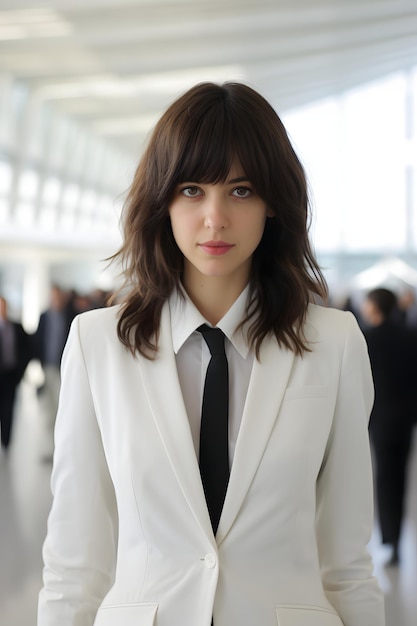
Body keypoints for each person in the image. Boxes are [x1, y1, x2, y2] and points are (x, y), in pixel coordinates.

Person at [38, 82, 384, 626]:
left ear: (273, 202)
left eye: (241, 190)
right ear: (162, 200)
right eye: (193, 190)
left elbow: (347, 565)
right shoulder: (98, 342)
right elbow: (74, 565)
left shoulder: (333, 343)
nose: (215, 219)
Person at [361, 287, 417, 566]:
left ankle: (391, 539)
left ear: (375, 306)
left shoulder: (367, 338)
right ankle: (396, 543)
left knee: (384, 478)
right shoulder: (410, 335)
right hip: (405, 418)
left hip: (380, 417)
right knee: (401, 476)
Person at [34, 285, 74, 460]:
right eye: (53, 297)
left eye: (58, 296)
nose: (55, 300)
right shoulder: (44, 317)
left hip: (64, 369)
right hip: (48, 368)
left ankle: (64, 450)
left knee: (63, 408)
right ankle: (52, 448)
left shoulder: (70, 316)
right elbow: (38, 340)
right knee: (49, 409)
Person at [0, 296, 32, 451]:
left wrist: (21, 371)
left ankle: (6, 441)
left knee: (8, 409)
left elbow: (27, 350)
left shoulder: (17, 327)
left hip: (11, 375)